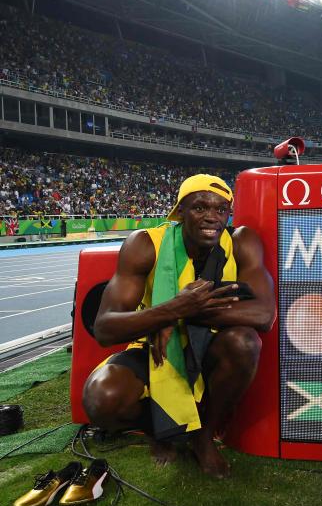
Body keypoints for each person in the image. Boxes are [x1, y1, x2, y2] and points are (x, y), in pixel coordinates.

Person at [83, 174, 275, 478]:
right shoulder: (146, 244)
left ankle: (203, 435)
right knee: (101, 399)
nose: (211, 217)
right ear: (180, 211)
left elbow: (264, 316)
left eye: (221, 209)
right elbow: (105, 328)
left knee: (244, 343)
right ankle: (163, 430)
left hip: (211, 344)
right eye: (200, 208)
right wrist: (170, 309)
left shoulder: (242, 241)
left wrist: (178, 315)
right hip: (154, 347)